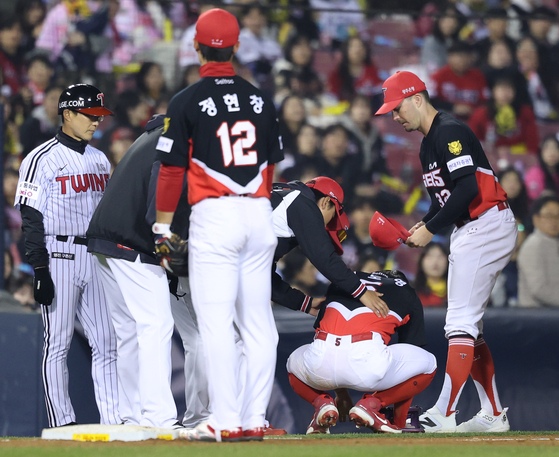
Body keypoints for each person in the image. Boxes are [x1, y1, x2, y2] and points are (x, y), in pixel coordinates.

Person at [152, 8, 284, 442]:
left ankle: (224, 418)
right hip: (259, 213)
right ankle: (253, 418)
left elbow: (171, 172)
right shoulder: (262, 97)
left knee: (214, 324)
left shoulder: (187, 100)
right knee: (258, 324)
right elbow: (272, 164)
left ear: (196, 46)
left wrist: (163, 227)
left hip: (216, 215)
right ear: (236, 47)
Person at [375, 71, 517, 433]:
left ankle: (445, 411)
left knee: (459, 323)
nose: (394, 115)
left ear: (417, 98)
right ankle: (493, 413)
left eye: (397, 107)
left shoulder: (448, 131)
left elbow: (468, 187)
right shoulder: (428, 142)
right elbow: (446, 197)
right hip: (474, 225)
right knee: (470, 326)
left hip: (484, 221)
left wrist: (433, 229)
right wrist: (423, 226)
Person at [14, 83, 120, 428]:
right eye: (89, 116)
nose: (95, 123)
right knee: (57, 343)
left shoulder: (100, 158)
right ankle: (62, 423)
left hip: (95, 255)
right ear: (68, 113)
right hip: (57, 253)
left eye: (99, 116)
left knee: (107, 341)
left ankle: (114, 420)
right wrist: (39, 268)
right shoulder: (38, 158)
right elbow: (30, 218)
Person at [87, 114, 187, 429]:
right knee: (155, 326)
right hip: (133, 244)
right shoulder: (173, 143)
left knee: (129, 333)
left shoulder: (151, 137)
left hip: (105, 241)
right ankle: (158, 417)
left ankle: (131, 416)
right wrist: (170, 247)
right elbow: (157, 207)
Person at [287, 270, 437, 434]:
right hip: (366, 362)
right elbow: (411, 361)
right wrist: (399, 423)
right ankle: (373, 404)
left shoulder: (344, 279)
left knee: (292, 362)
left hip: (320, 364)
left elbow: (332, 346)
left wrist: (341, 392)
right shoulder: (407, 291)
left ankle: (321, 403)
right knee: (429, 364)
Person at [270, 177, 388, 317]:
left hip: (240, 265)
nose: (325, 226)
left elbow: (263, 277)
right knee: (262, 335)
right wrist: (361, 291)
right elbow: (324, 257)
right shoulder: (302, 202)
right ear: (325, 202)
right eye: (332, 217)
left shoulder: (283, 197)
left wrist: (303, 302)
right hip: (237, 264)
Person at [517, 195, 559, 308]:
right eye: (549, 216)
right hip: (537, 317)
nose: (554, 221)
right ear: (536, 219)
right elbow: (538, 289)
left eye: (557, 217)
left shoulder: (553, 242)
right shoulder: (534, 245)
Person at [524, 135, 559, 201]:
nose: (552, 152)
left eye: (556, 148)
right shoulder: (534, 173)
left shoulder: (556, 173)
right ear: (541, 152)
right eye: (547, 148)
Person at [414, 242, 449, 308]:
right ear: (421, 261)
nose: (435, 262)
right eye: (430, 256)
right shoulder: (413, 293)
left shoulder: (455, 292)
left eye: (440, 257)